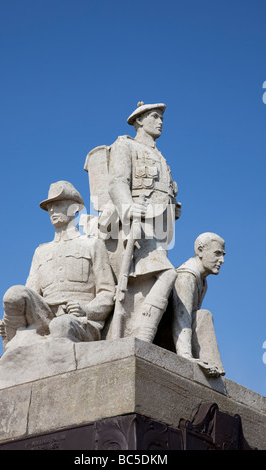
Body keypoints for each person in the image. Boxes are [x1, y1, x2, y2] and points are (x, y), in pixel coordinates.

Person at [0, 181, 115, 348]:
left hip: (80, 322)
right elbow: (30, 293)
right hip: (44, 318)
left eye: (58, 205)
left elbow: (107, 292)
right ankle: (11, 344)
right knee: (14, 294)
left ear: (74, 208)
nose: (52, 210)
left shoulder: (92, 245)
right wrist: (6, 320)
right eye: (49, 207)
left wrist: (86, 310)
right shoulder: (41, 252)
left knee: (61, 325)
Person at [107, 101, 182, 342]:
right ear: (139, 121)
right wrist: (128, 206)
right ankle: (142, 334)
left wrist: (173, 207)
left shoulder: (160, 156)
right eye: (154, 116)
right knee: (166, 273)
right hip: (137, 223)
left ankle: (141, 332)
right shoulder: (125, 145)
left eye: (161, 117)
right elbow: (117, 182)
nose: (160, 121)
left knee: (150, 282)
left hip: (161, 227)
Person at [171, 232, 226, 377]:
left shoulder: (203, 281)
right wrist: (185, 356)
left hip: (180, 335)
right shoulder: (186, 276)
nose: (222, 260)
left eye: (223, 255)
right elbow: (181, 319)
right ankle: (210, 364)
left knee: (202, 315)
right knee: (204, 315)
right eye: (217, 253)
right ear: (200, 251)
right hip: (169, 336)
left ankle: (212, 364)